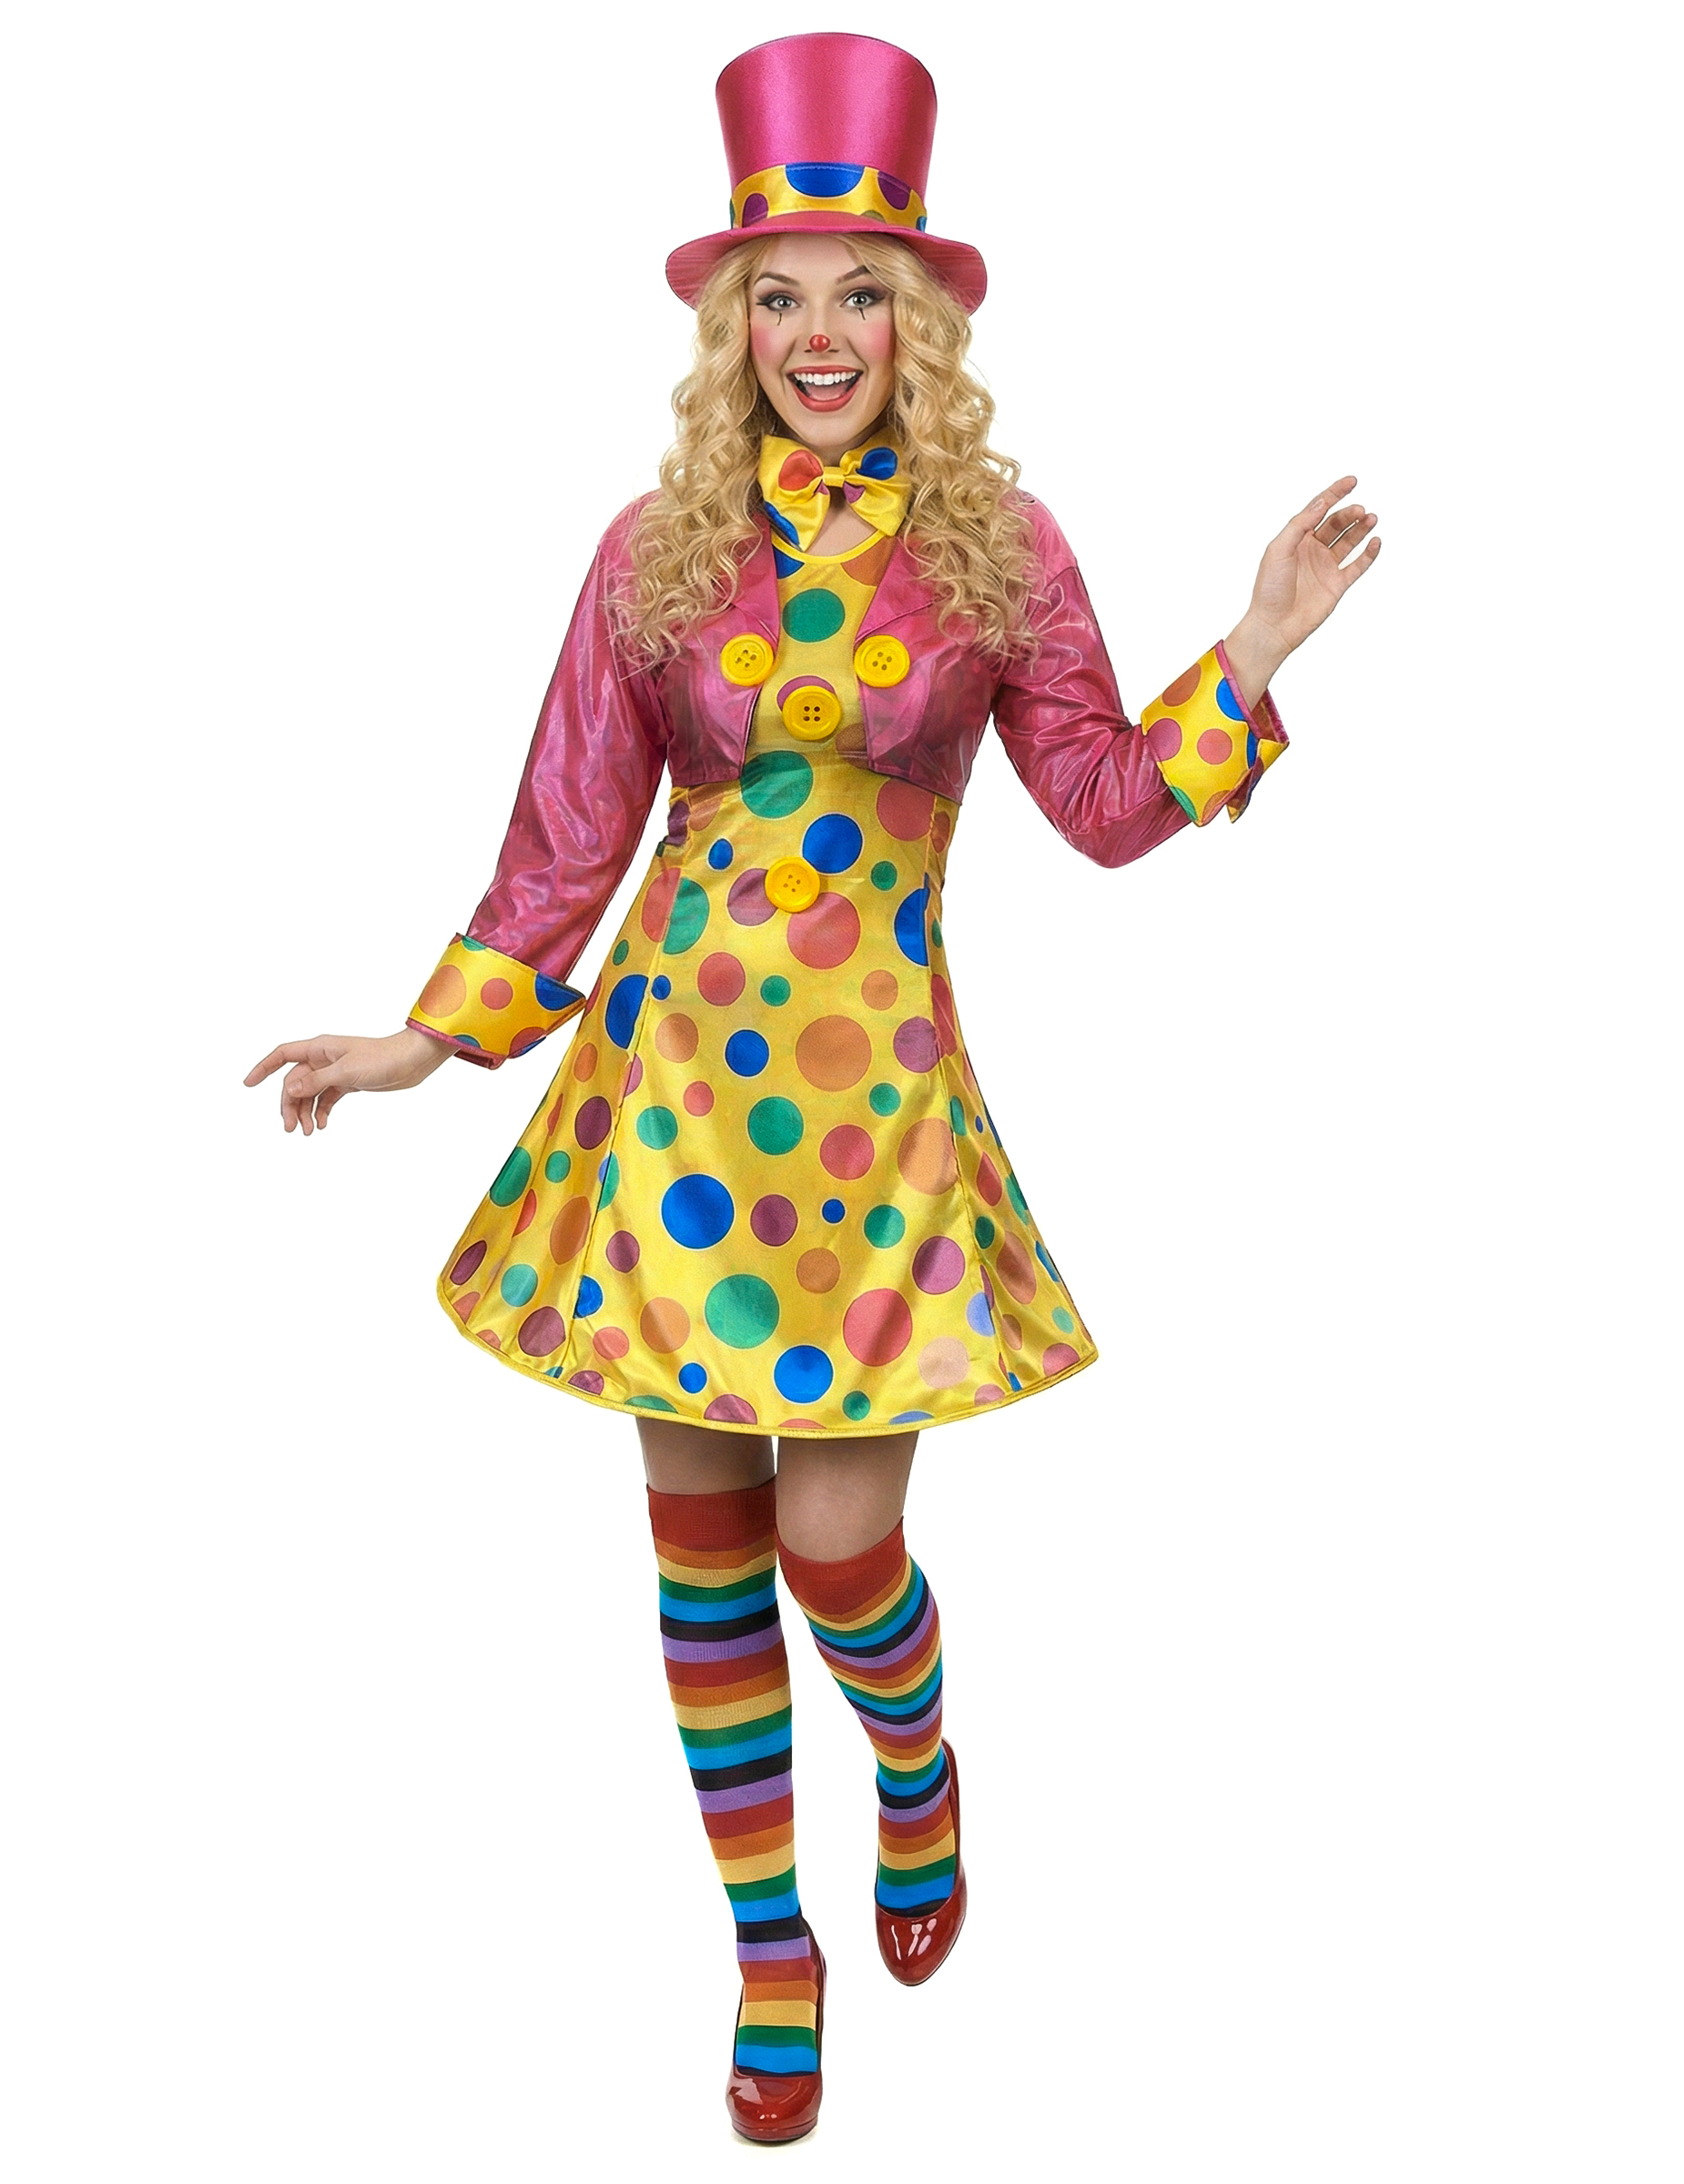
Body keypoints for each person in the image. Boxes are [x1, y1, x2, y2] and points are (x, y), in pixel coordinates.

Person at [246, 32, 1380, 2144]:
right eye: (778, 296)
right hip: (665, 1100)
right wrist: (426, 1038)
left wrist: (1249, 651)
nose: (820, 333)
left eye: (860, 291)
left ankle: (917, 1765)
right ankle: (770, 1946)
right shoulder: (653, 546)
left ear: (917, 320)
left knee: (838, 1545)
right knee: (701, 1554)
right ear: (731, 328)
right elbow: (566, 837)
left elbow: (1105, 807)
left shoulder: (997, 548)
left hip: (869, 1129)